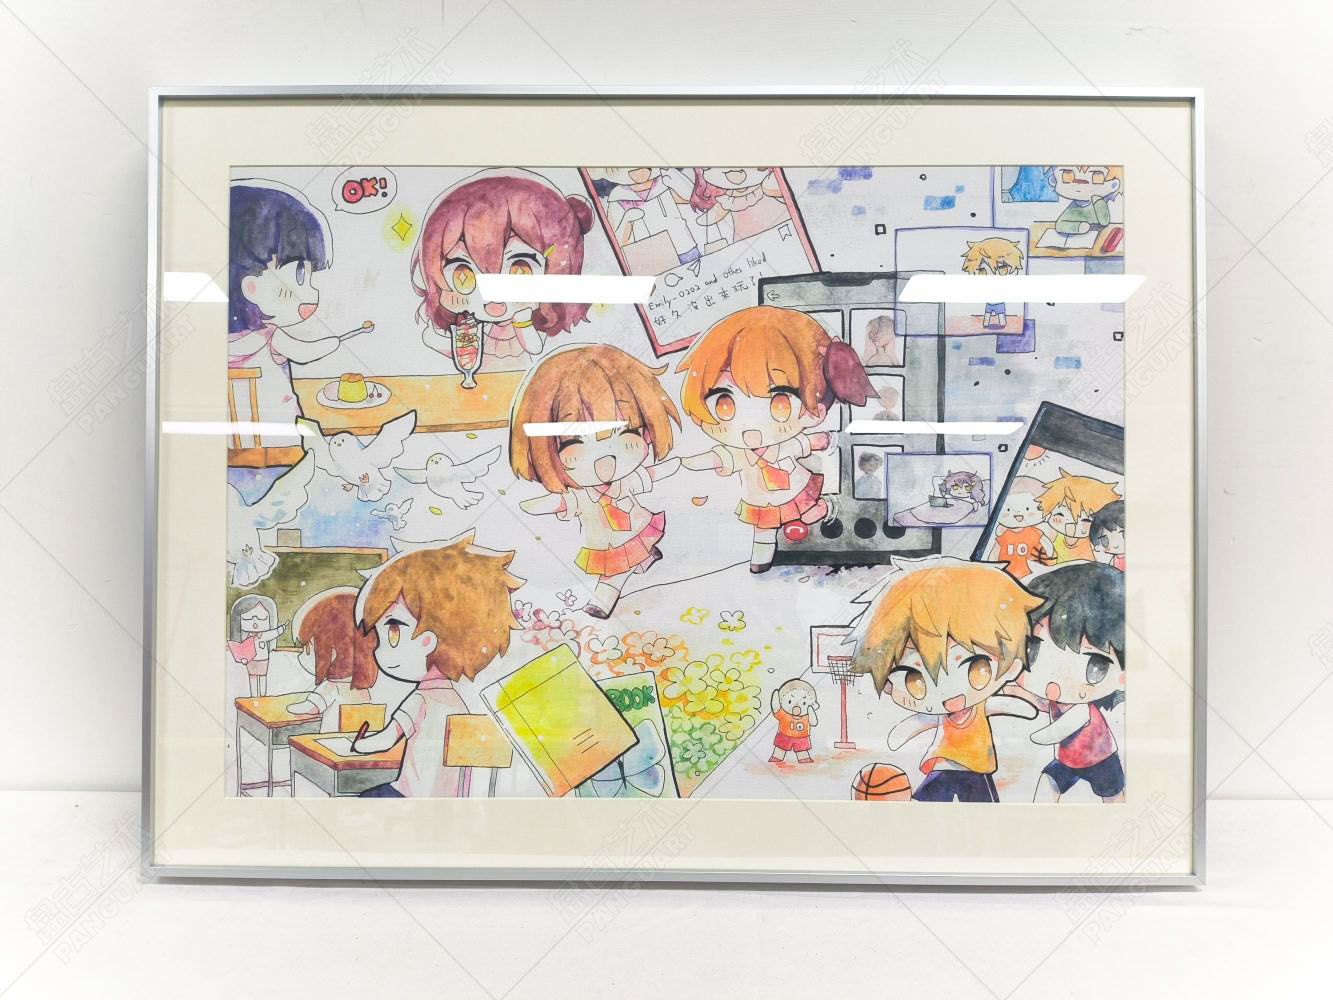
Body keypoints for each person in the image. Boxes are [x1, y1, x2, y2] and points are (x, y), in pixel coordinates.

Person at [676, 306, 874, 573]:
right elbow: (715, 458)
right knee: (763, 528)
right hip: (760, 497)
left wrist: (821, 440)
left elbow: (803, 444)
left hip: (795, 487)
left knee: (808, 512)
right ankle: (760, 560)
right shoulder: (740, 453)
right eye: (724, 404)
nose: (750, 429)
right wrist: (683, 463)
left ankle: (825, 508)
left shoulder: (784, 444)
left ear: (816, 411)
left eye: (780, 403)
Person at [849, 557, 1041, 803]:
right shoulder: (942, 715)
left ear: (1011, 665)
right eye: (915, 678)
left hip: (978, 767)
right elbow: (921, 721)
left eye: (976, 667)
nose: (952, 697)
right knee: (928, 806)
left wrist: (1022, 707)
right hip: (943, 764)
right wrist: (902, 732)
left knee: (984, 812)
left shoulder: (980, 705)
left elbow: (1005, 705)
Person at [510, 345, 682, 619]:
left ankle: (603, 600)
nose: (605, 461)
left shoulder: (627, 480)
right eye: (574, 443)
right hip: (604, 539)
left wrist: (676, 466)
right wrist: (541, 504)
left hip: (632, 526)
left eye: (625, 433)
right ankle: (646, 557)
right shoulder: (583, 495)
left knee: (614, 572)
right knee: (622, 558)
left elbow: (650, 475)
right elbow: (563, 502)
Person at [351, 534, 523, 797]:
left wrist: (359, 745)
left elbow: (384, 741)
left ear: (427, 640)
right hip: (449, 806)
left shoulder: (420, 700)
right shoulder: (456, 703)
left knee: (363, 799)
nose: (378, 648)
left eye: (393, 631)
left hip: (410, 799)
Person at [411, 169, 594, 375]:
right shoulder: (473, 326)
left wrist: (523, 322)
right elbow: (437, 342)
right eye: (463, 276)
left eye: (520, 272)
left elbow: (534, 347)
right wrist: (444, 334)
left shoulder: (522, 321)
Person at [229, 180, 368, 444]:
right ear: (251, 288)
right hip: (287, 443)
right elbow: (306, 351)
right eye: (300, 275)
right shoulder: (269, 338)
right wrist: (335, 341)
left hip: (231, 450)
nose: (312, 295)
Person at [1007, 562, 1126, 802]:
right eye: (1033, 651)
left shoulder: (1081, 709)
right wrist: (1016, 691)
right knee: (1048, 783)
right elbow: (1042, 704)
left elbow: (1056, 731)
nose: (1056, 680)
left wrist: (1036, 737)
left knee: (1114, 800)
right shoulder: (1058, 697)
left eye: (1095, 666)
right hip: (1067, 760)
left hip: (1101, 760)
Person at [286, 587, 377, 731]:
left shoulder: (332, 686)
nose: (302, 656)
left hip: (330, 740)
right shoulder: (362, 690)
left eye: (308, 648)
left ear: (333, 650)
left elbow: (310, 708)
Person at [226, 595, 285, 697]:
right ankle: (253, 696)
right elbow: (240, 649)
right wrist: (243, 658)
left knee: (263, 676)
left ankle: (263, 695)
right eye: (248, 618)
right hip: (251, 660)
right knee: (252, 677)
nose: (255, 622)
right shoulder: (246, 638)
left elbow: (274, 633)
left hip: (263, 659)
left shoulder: (264, 635)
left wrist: (282, 628)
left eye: (261, 618)